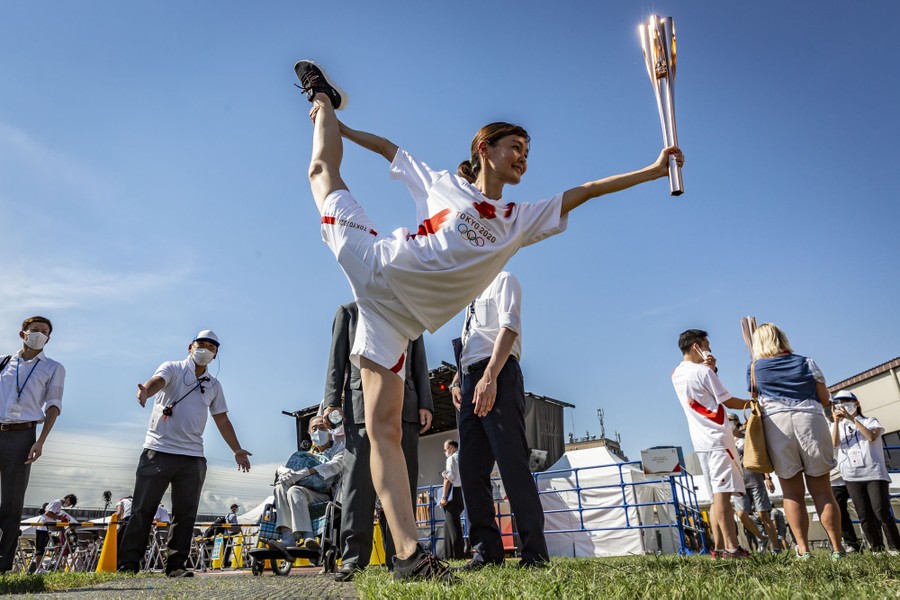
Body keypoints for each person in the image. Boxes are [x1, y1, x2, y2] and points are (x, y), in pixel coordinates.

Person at [294, 59, 682, 582]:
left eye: (527, 152)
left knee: (383, 430)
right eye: (514, 148)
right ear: (485, 149)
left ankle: (408, 558)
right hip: (377, 263)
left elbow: (586, 190)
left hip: (396, 320)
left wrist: (654, 170)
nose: (523, 158)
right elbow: (391, 150)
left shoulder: (519, 220)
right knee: (323, 173)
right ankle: (321, 101)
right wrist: (340, 125)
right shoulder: (443, 185)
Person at [117, 330, 252, 577]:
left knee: (186, 514)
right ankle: (128, 565)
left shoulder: (214, 384)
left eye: (211, 347)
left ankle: (176, 565)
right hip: (158, 450)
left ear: (216, 354)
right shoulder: (173, 368)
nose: (205, 350)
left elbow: (221, 418)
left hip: (193, 456)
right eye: (201, 344)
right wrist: (146, 390)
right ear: (190, 346)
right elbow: (157, 380)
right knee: (142, 509)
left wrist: (237, 449)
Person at [324, 302, 433, 582]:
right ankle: (352, 557)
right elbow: (336, 361)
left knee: (402, 485)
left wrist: (426, 404)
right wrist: (332, 401)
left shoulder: (407, 307)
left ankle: (399, 555)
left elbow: (419, 361)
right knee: (357, 487)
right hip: (361, 408)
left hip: (405, 408)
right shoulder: (349, 313)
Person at [449, 271, 548, 569]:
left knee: (512, 463)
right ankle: (486, 552)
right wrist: (457, 380)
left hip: (498, 374)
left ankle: (534, 553)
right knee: (470, 469)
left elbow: (508, 328)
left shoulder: (503, 279)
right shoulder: (470, 294)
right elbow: (471, 344)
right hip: (469, 380)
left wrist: (490, 375)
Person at [749, 323, 845, 560]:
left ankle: (803, 550)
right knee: (823, 491)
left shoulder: (754, 368)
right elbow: (824, 399)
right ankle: (837, 548)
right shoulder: (807, 362)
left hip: (776, 424)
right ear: (782, 338)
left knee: (792, 493)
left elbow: (754, 399)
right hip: (810, 418)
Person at [671, 329, 751, 559]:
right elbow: (728, 400)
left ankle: (718, 547)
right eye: (707, 344)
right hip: (718, 438)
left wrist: (711, 369)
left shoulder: (676, 373)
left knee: (717, 495)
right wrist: (754, 403)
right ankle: (732, 548)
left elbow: (703, 394)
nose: (710, 348)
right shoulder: (702, 373)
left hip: (701, 441)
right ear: (696, 346)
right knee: (723, 496)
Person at [0, 316, 66, 573]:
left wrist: (41, 440)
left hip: (23, 435)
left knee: (12, 502)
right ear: (22, 333)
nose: (39, 334)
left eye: (44, 332)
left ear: (49, 338)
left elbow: (53, 404)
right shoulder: (5, 362)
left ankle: (3, 564)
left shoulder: (53, 367)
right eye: (34, 330)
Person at [831, 390, 900, 554]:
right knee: (864, 515)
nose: (843, 404)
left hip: (874, 473)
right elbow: (834, 444)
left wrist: (852, 419)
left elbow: (871, 437)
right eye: (839, 402)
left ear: (856, 403)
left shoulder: (870, 420)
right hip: (851, 476)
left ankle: (895, 547)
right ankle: (877, 549)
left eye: (847, 400)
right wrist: (835, 422)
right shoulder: (838, 426)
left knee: (881, 511)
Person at [273, 416, 344, 550]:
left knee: (295, 490)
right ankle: (287, 537)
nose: (318, 431)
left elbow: (334, 466)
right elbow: (290, 469)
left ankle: (307, 536)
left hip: (323, 496)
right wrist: (283, 471)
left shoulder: (338, 449)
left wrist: (305, 472)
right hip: (301, 494)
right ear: (310, 433)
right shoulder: (304, 454)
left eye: (322, 428)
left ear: (329, 431)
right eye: (314, 428)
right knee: (280, 487)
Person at [727, 414, 782, 553]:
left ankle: (776, 547)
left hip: (755, 480)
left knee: (763, 515)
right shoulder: (725, 441)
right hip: (739, 483)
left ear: (736, 422)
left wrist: (767, 477)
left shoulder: (747, 437)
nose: (726, 424)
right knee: (741, 515)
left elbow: (759, 456)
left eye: (729, 421)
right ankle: (762, 538)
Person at [29, 493, 77, 573]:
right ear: (68, 499)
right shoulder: (57, 503)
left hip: (45, 528)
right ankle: (39, 569)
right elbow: (47, 513)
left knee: (42, 549)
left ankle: (39, 568)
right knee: (40, 549)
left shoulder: (58, 504)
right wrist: (58, 517)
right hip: (42, 527)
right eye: (69, 504)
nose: (68, 505)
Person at [439, 439, 465, 560]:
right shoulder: (464, 456)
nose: (445, 452)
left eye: (445, 449)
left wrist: (443, 497)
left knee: (454, 526)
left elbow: (449, 477)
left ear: (451, 447)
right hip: (463, 493)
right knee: (448, 524)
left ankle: (458, 555)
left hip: (453, 492)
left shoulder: (451, 458)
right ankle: (448, 554)